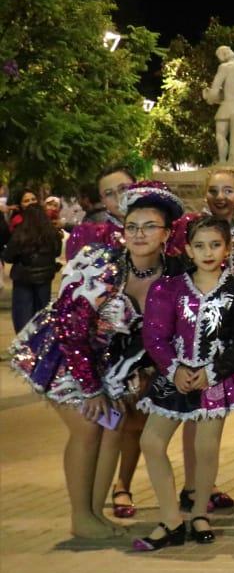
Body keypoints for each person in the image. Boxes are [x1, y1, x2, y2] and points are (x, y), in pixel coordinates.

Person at [7, 181, 185, 540]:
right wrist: (91, 389)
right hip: (63, 354)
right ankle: (81, 516)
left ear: (166, 233)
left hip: (109, 366)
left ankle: (95, 514)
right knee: (89, 426)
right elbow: (71, 327)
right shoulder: (100, 264)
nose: (139, 234)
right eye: (132, 226)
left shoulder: (173, 276)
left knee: (113, 425)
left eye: (149, 226)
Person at [135, 216, 234, 550]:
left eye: (215, 245)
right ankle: (170, 519)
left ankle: (199, 513)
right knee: (151, 442)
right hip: (174, 375)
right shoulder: (168, 288)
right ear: (188, 250)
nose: (208, 252)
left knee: (206, 447)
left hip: (216, 377)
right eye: (200, 246)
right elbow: (155, 335)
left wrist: (214, 371)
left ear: (227, 248)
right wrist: (173, 368)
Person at [4, 203, 63, 333]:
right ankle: (40, 338)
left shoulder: (20, 233)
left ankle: (24, 340)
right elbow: (57, 252)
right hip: (45, 278)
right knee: (42, 312)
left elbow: (8, 256)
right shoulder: (52, 234)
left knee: (23, 314)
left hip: (23, 278)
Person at [65, 166, 134, 261]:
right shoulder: (89, 236)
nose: (118, 197)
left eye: (123, 188)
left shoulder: (156, 229)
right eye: (108, 193)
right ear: (102, 200)